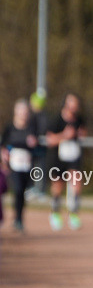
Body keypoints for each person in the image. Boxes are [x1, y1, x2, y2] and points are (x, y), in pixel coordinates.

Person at [45, 93, 87, 231]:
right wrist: (64, 135)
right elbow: (50, 140)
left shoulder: (79, 119)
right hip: (59, 157)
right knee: (58, 186)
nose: (74, 106)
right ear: (66, 104)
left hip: (74, 156)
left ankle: (74, 213)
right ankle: (55, 213)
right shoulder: (56, 119)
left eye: (76, 103)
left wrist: (81, 134)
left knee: (76, 182)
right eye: (72, 103)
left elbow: (83, 134)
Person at [1, 99, 38, 232]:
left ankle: (19, 218)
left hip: (26, 165)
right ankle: (17, 218)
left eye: (25, 111)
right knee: (16, 190)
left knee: (22, 192)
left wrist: (35, 143)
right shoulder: (10, 128)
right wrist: (4, 154)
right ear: (15, 112)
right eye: (21, 111)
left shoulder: (31, 128)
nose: (23, 114)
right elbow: (3, 145)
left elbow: (37, 148)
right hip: (13, 165)